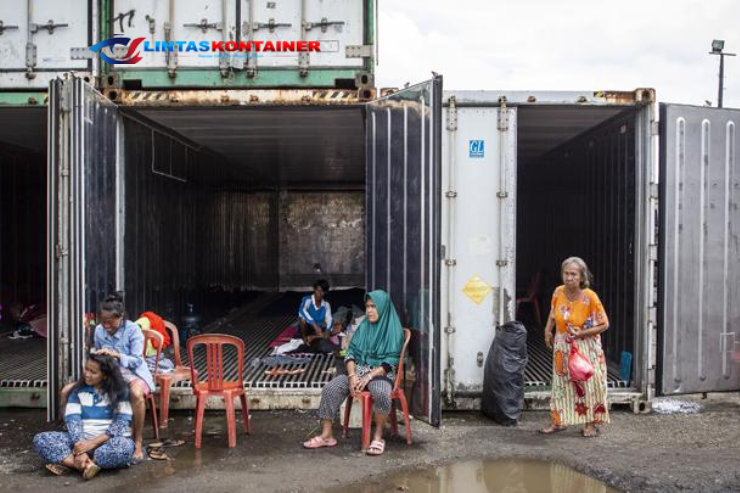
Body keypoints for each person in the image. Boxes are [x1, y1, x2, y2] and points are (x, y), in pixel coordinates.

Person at [303, 290, 404, 456]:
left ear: (384, 308)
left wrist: (369, 376)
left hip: (381, 374)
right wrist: (352, 377)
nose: (369, 310)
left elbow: (390, 362)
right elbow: (350, 353)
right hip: (358, 372)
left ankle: (378, 437)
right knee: (331, 388)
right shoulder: (364, 326)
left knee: (380, 392)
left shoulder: (393, 330)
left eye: (373, 307)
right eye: (367, 307)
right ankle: (327, 435)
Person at [34, 353, 134, 479]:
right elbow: (73, 420)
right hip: (81, 441)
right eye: (86, 369)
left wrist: (91, 444)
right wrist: (81, 447)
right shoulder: (78, 390)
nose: (87, 374)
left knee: (124, 447)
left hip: (108, 442)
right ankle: (86, 466)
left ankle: (77, 463)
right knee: (42, 439)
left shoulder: (121, 392)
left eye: (93, 372)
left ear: (105, 376)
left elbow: (121, 424)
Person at [540, 257, 610, 437]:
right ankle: (559, 422)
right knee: (560, 385)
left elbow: (604, 324)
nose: (569, 277)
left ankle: (591, 424)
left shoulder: (590, 297)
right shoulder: (558, 292)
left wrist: (581, 334)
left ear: (581, 277)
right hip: (562, 345)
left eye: (573, 274)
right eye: (566, 273)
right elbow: (553, 313)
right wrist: (548, 330)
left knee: (589, 383)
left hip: (586, 346)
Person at [90, 293, 155, 462]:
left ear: (121, 317)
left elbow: (137, 360)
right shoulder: (99, 330)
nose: (106, 325)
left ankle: (138, 440)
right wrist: (98, 356)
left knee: (135, 393)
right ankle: (97, 438)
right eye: (103, 322)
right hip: (110, 373)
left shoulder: (133, 330)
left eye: (110, 322)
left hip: (134, 372)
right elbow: (97, 357)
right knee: (76, 388)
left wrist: (117, 355)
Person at [298, 279, 337, 354]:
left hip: (319, 330)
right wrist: (314, 325)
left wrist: (328, 330)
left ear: (325, 292)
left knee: (326, 345)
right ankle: (305, 338)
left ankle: (314, 338)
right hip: (308, 328)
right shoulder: (307, 299)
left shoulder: (326, 304)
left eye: (322, 291)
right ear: (314, 290)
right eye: (317, 290)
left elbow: (329, 319)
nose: (319, 293)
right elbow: (302, 311)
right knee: (302, 319)